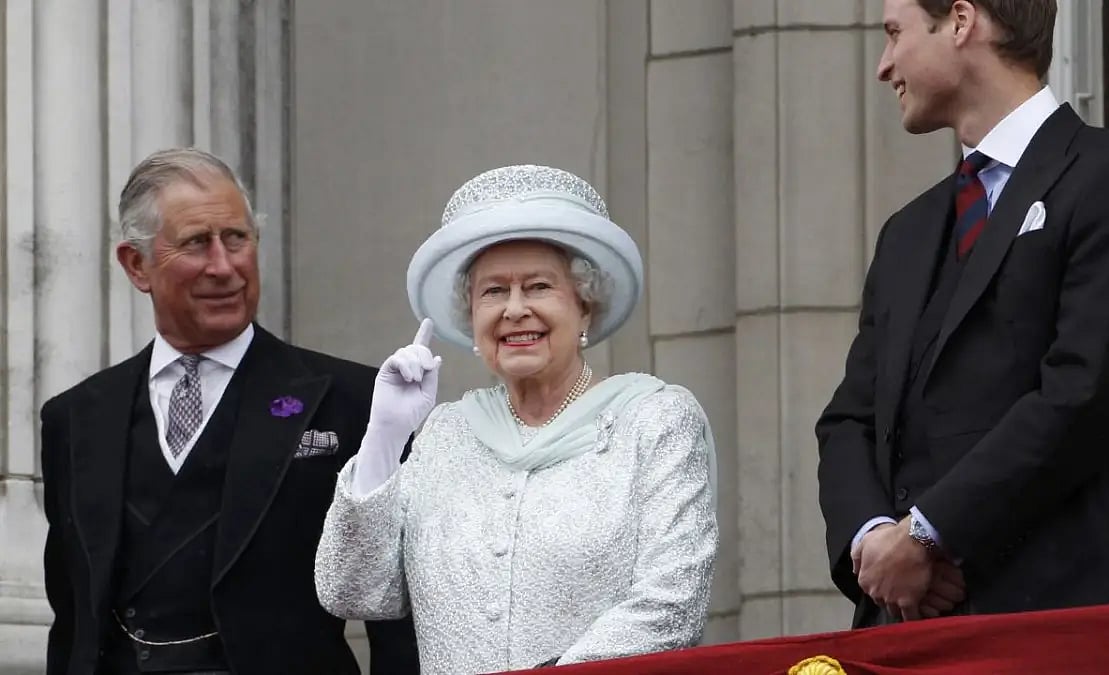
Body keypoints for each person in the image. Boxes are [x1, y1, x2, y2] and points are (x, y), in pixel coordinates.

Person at [816, 0, 1109, 628]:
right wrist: (876, 540)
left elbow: (1085, 394)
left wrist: (930, 535)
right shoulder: (907, 232)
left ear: (961, 22)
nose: (884, 67)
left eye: (894, 34)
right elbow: (850, 418)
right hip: (906, 629)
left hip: (1057, 622)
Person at [314, 164, 719, 672]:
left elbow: (672, 603)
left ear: (585, 307)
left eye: (538, 287)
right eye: (493, 292)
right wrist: (383, 440)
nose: (514, 309)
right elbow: (353, 591)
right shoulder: (445, 434)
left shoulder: (654, 421)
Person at [40, 148, 419, 674]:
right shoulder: (76, 419)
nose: (224, 266)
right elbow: (73, 616)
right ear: (136, 264)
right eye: (196, 243)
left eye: (236, 239)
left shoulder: (355, 402)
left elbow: (398, 616)